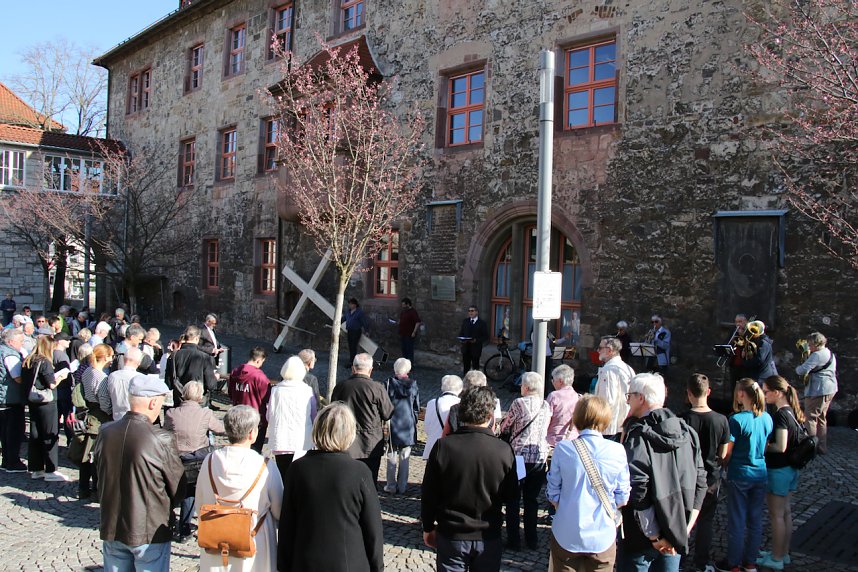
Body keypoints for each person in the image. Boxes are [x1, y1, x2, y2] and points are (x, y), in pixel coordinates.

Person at [278, 402, 384, 572]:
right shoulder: (359, 472)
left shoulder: (297, 469)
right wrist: (377, 567)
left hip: (305, 561)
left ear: (317, 429)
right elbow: (373, 529)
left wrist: (283, 565)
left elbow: (287, 524)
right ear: (350, 433)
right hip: (350, 562)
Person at [421, 386, 518, 571]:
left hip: (452, 534)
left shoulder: (444, 447)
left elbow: (429, 493)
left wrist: (427, 526)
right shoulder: (504, 451)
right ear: (490, 416)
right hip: (488, 534)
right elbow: (512, 496)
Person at [617, 372, 707, 572]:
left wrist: (655, 535)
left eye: (629, 396)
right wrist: (684, 528)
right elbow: (700, 482)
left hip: (642, 537)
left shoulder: (638, 436)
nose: (628, 401)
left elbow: (638, 486)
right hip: (676, 531)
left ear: (641, 398)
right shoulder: (688, 431)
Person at [95, 374, 185, 571]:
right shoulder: (160, 438)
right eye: (161, 404)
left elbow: (100, 473)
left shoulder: (105, 432)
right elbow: (177, 487)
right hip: (149, 529)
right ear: (153, 403)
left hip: (112, 523)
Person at [546, 395, 631, 572]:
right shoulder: (618, 450)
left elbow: (553, 492)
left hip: (566, 531)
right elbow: (623, 497)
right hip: (602, 534)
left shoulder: (563, 448)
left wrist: (567, 507)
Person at [196, 405, 283, 571]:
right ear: (252, 434)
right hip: (255, 542)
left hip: (216, 541)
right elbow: (279, 510)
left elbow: (200, 501)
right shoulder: (265, 466)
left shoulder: (209, 461)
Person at [715, 378, 773, 572]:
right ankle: (750, 561)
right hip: (760, 473)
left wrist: (721, 461)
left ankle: (733, 563)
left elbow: (727, 452)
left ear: (741, 394)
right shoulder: (767, 418)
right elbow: (764, 447)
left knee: (737, 520)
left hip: (740, 473)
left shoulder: (737, 420)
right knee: (755, 520)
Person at [164, 381, 225, 541]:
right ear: (200, 396)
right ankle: (203, 526)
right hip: (200, 458)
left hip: (179, 459)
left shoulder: (171, 413)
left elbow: (166, 433)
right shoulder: (205, 414)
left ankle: (180, 527)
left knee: (185, 492)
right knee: (202, 492)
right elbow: (220, 428)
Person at [681, 374, 730, 572]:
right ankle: (701, 562)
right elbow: (723, 453)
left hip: (687, 477)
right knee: (706, 522)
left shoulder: (682, 419)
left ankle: (680, 560)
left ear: (689, 393)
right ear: (708, 392)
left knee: (684, 520)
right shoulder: (721, 420)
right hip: (710, 477)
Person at [498, 371, 552, 550]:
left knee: (513, 499)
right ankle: (532, 538)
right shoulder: (545, 405)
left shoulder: (519, 403)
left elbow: (505, 426)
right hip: (539, 457)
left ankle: (514, 540)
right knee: (531, 499)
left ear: (526, 387)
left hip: (519, 457)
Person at [757, 376, 804, 571]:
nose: (764, 394)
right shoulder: (791, 411)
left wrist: (764, 446)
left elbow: (781, 446)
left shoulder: (781, 415)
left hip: (779, 470)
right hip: (791, 470)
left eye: (766, 391)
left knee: (777, 515)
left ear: (778, 393)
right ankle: (782, 553)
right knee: (785, 512)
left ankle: (776, 557)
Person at [331, 352, 394, 485]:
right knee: (369, 483)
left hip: (345, 441)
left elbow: (333, 412)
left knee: (347, 482)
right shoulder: (377, 388)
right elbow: (388, 413)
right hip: (370, 443)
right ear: (370, 370)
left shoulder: (341, 387)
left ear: (353, 368)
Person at [23, 335, 71, 481]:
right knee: (50, 433)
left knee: (36, 434)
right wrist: (62, 376)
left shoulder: (29, 360)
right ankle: (51, 470)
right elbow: (51, 384)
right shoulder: (45, 362)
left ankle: (36, 468)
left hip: (33, 401)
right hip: (46, 402)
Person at [267, 355, 317, 484]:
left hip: (281, 440)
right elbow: (313, 416)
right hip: (301, 441)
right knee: (299, 478)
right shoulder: (307, 390)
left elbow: (269, 415)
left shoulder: (276, 390)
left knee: (283, 476)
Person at [78, 343, 114, 500]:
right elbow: (105, 403)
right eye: (111, 356)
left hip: (90, 412)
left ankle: (83, 487)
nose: (112, 360)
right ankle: (96, 488)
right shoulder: (102, 378)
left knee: (87, 455)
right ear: (105, 357)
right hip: (99, 416)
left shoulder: (87, 371)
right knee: (96, 455)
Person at [795, 331, 837, 455]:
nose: (808, 346)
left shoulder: (817, 355)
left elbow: (801, 370)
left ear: (816, 343)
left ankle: (810, 447)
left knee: (811, 418)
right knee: (822, 418)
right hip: (830, 388)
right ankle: (821, 447)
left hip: (818, 390)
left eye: (810, 344)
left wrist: (800, 365)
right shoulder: (830, 353)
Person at [383, 357, 420, 494]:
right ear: (408, 370)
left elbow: (384, 405)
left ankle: (391, 486)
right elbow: (416, 406)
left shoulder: (388, 383)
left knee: (391, 455)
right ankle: (402, 486)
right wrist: (414, 420)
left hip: (393, 423)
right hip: (407, 424)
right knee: (405, 457)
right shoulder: (413, 384)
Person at [228, 346, 272, 453]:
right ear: (259, 360)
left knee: (238, 449)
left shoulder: (235, 372)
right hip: (255, 419)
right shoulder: (259, 377)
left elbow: (230, 393)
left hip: (238, 416)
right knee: (254, 452)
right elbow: (268, 398)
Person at [595, 337, 635, 440]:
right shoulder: (628, 368)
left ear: (609, 350)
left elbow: (607, 400)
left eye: (600, 348)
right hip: (624, 423)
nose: (598, 350)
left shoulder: (608, 370)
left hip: (609, 426)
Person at [165, 325, 217, 406]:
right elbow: (211, 385)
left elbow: (168, 383)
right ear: (197, 338)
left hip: (179, 401)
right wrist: (215, 378)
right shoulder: (204, 357)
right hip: (198, 402)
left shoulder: (173, 356)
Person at [0, 328, 28, 472]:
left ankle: (7, 461)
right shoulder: (10, 354)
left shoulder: (3, 350)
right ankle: (12, 461)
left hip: (5, 397)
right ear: (11, 342)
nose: (22, 344)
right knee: (13, 432)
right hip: (10, 398)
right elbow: (17, 377)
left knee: (5, 433)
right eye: (20, 341)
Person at [442, 370, 502, 435]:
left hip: (457, 443)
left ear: (464, 387)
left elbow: (445, 434)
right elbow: (491, 434)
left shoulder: (455, 409)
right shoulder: (489, 410)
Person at [98, 346, 144, 420]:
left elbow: (105, 397)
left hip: (116, 418)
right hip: (135, 419)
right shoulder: (141, 378)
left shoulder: (112, 376)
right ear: (139, 362)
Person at [423, 374, 462, 459]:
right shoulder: (463, 405)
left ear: (442, 387)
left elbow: (427, 428)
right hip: (454, 449)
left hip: (433, 447)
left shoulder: (432, 403)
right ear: (460, 389)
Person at [546, 364, 579, 447]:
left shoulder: (554, 396)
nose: (552, 382)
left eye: (553, 379)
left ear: (560, 381)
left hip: (553, 440)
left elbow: (545, 420)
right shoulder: (578, 397)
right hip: (573, 440)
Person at [458, 305, 489, 375]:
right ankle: (465, 381)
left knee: (475, 367)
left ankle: (475, 383)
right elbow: (461, 333)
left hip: (476, 348)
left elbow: (485, 336)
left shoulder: (482, 323)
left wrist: (476, 340)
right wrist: (461, 339)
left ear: (476, 312)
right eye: (469, 311)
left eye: (472, 311)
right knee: (466, 366)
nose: (470, 312)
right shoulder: (465, 321)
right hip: (466, 347)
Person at [342, 297, 369, 367]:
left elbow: (364, 322)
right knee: (350, 346)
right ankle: (351, 361)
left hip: (356, 331)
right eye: (349, 304)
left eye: (351, 304)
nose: (349, 305)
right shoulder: (348, 312)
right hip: (349, 331)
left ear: (355, 305)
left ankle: (352, 362)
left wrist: (367, 331)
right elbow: (343, 319)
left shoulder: (359, 312)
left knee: (353, 346)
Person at [727, 314, 749, 391]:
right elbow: (726, 345)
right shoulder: (733, 332)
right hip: (734, 366)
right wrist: (732, 341)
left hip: (745, 367)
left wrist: (743, 335)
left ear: (746, 322)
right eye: (736, 322)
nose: (738, 324)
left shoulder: (750, 333)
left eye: (740, 322)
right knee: (734, 390)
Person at [398, 297, 421, 362]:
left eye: (404, 305)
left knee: (409, 350)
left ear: (408, 304)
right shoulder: (403, 312)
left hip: (409, 335)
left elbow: (417, 322)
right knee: (404, 349)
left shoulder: (413, 312)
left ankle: (410, 365)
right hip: (403, 333)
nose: (402, 306)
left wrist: (414, 332)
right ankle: (404, 364)